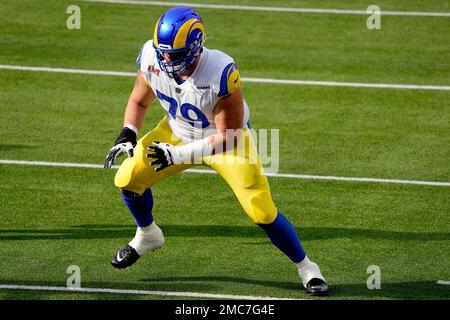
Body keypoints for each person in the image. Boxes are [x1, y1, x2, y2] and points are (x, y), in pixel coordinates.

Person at [104, 6, 328, 296]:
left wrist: (178, 155)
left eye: (176, 54)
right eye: (164, 53)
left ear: (196, 48)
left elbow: (230, 136)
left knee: (261, 210)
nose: (167, 60)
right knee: (127, 180)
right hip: (177, 131)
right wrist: (128, 133)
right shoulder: (151, 57)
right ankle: (148, 235)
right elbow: (139, 101)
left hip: (223, 141)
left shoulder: (221, 71)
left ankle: (307, 267)